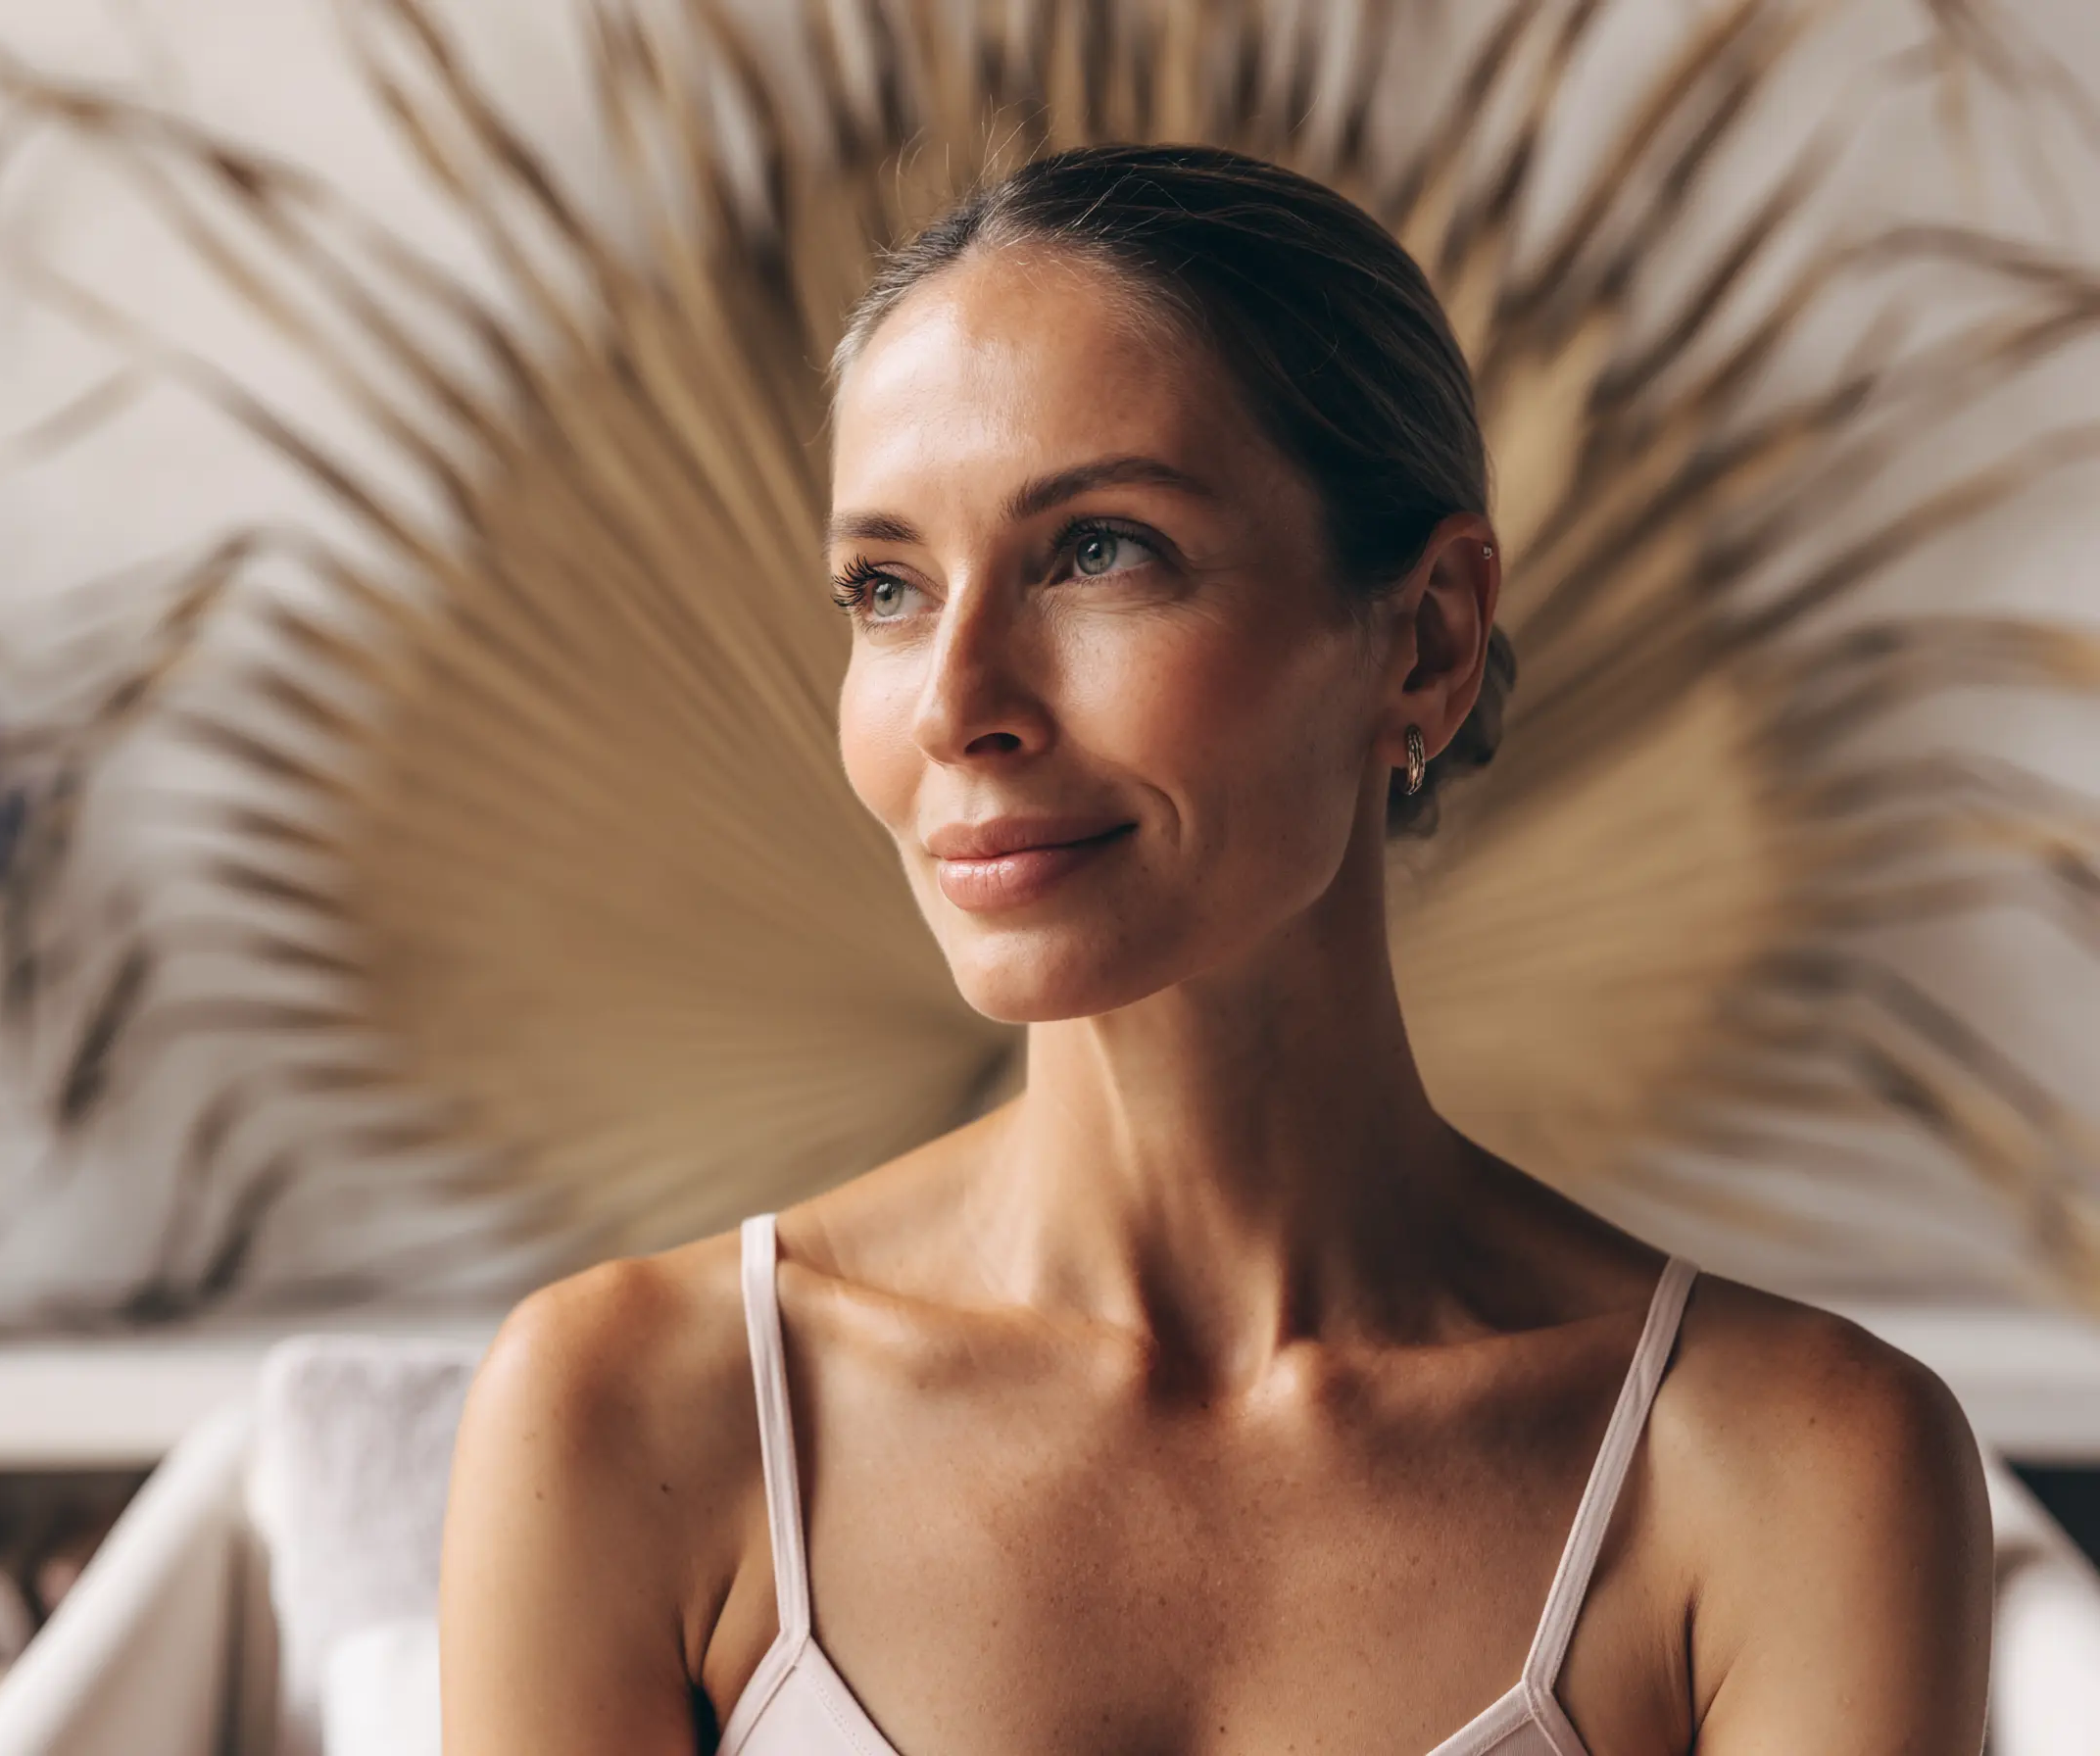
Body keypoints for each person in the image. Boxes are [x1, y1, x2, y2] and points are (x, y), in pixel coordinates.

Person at [438, 142, 1992, 1756]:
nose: (958, 705)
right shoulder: (639, 1416)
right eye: (885, 586)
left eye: (1101, 550)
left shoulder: (1784, 1472)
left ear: (1428, 638)